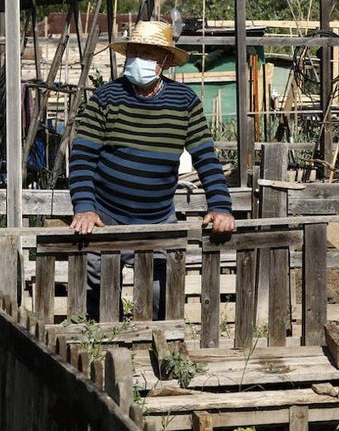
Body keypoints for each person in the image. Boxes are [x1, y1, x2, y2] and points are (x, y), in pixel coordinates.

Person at [69, 20, 235, 319]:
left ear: (166, 62)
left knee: (164, 289)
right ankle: (100, 347)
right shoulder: (106, 98)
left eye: (149, 55)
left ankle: (161, 345)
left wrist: (220, 206)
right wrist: (84, 207)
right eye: (135, 53)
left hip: (158, 216)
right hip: (106, 215)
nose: (139, 61)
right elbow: (82, 157)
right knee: (96, 290)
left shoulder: (184, 102)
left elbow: (206, 159)